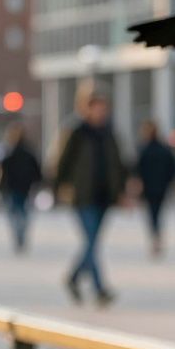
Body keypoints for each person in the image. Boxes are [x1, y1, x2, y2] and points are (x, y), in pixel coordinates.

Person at [55, 83, 127, 306]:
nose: (100, 111)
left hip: (104, 195)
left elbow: (119, 164)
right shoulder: (77, 132)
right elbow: (62, 163)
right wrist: (58, 187)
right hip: (83, 195)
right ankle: (99, 289)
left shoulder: (109, 133)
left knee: (93, 243)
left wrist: (122, 190)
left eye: (103, 107)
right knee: (91, 243)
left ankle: (73, 278)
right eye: (96, 107)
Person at [134, 120, 175, 258]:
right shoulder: (164, 149)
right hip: (161, 187)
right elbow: (174, 168)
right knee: (157, 213)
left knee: (152, 213)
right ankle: (156, 236)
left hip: (149, 187)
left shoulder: (144, 149)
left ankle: (155, 236)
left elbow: (138, 169)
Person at [0, 123, 42, 254]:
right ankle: (20, 235)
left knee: (16, 213)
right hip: (20, 188)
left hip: (16, 188)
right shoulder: (21, 152)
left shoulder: (10, 152)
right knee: (21, 213)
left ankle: (20, 235)